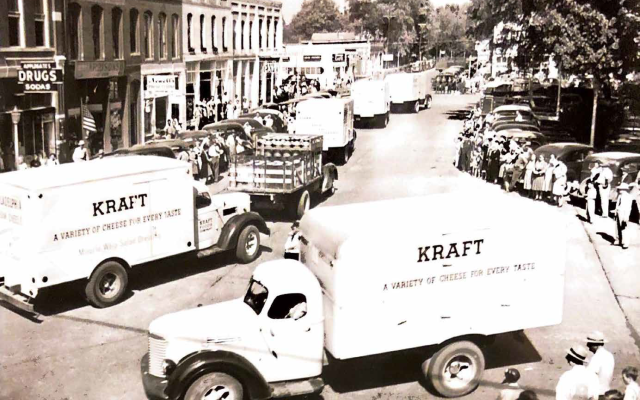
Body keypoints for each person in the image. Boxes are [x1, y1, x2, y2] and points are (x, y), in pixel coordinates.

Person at [613, 184, 634, 249]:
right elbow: (617, 205)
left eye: (620, 189)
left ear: (624, 189)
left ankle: (625, 242)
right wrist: (615, 212)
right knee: (617, 227)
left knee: (624, 228)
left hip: (624, 213)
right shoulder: (620, 196)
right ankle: (618, 240)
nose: (619, 190)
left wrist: (626, 216)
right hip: (619, 212)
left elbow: (628, 208)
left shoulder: (628, 197)